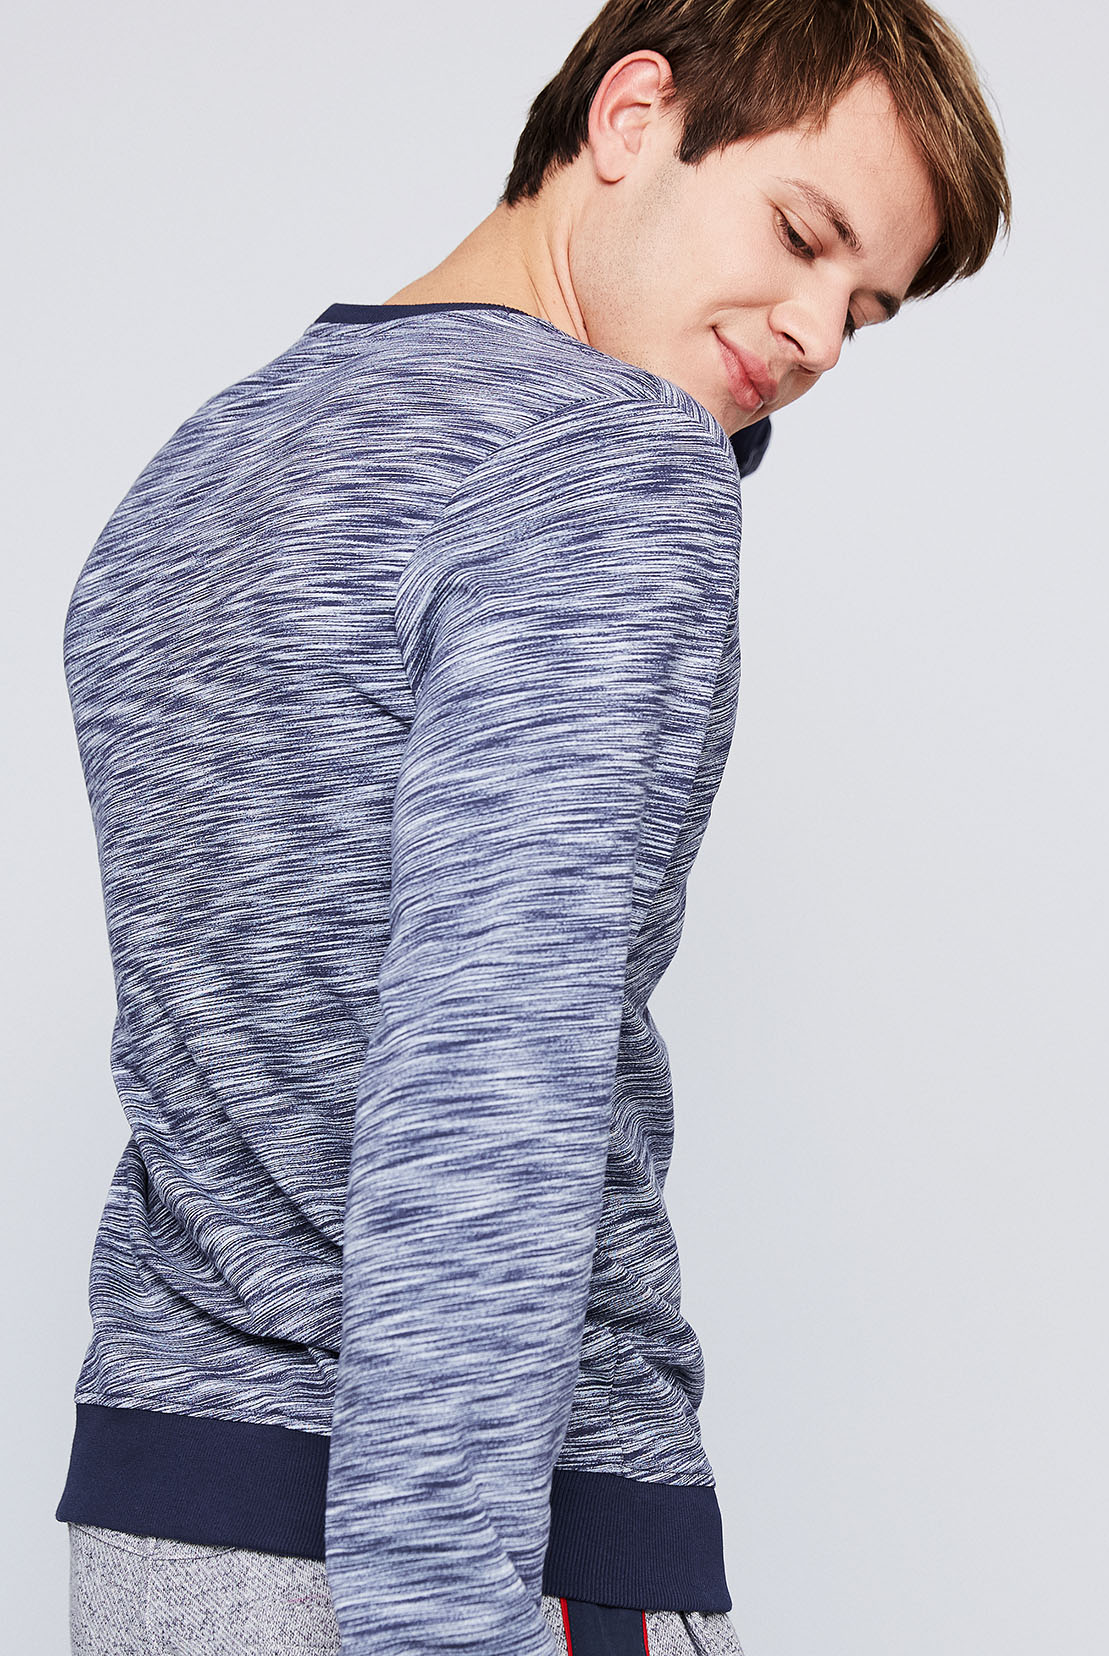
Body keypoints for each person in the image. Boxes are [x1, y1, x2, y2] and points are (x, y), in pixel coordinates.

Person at [55, 2, 1011, 1653]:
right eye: (802, 236)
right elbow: (483, 1068)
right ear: (633, 117)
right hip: (473, 1542)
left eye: (867, 308)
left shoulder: (200, 470)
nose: (818, 337)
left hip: (162, 1528)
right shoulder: (613, 463)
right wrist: (442, 1618)